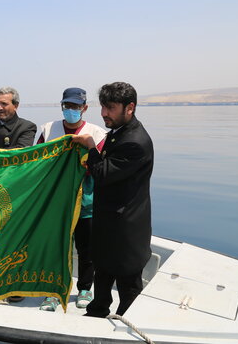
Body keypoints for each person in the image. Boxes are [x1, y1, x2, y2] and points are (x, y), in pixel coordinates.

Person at [72, 82, 154, 317]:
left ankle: (127, 325)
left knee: (128, 287)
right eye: (103, 107)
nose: (104, 113)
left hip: (126, 230)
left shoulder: (135, 142)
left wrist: (90, 146)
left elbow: (101, 174)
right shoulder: (118, 134)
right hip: (108, 223)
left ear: (130, 108)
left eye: (110, 108)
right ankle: (96, 311)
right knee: (104, 273)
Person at [37, 87, 107, 309]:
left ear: (84, 108)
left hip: (86, 202)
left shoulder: (97, 133)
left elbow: (101, 167)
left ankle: (85, 289)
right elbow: (35, 161)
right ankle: (53, 291)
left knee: (86, 249)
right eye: (67, 105)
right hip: (56, 203)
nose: (71, 110)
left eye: (76, 106)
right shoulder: (49, 129)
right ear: (61, 105)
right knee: (57, 247)